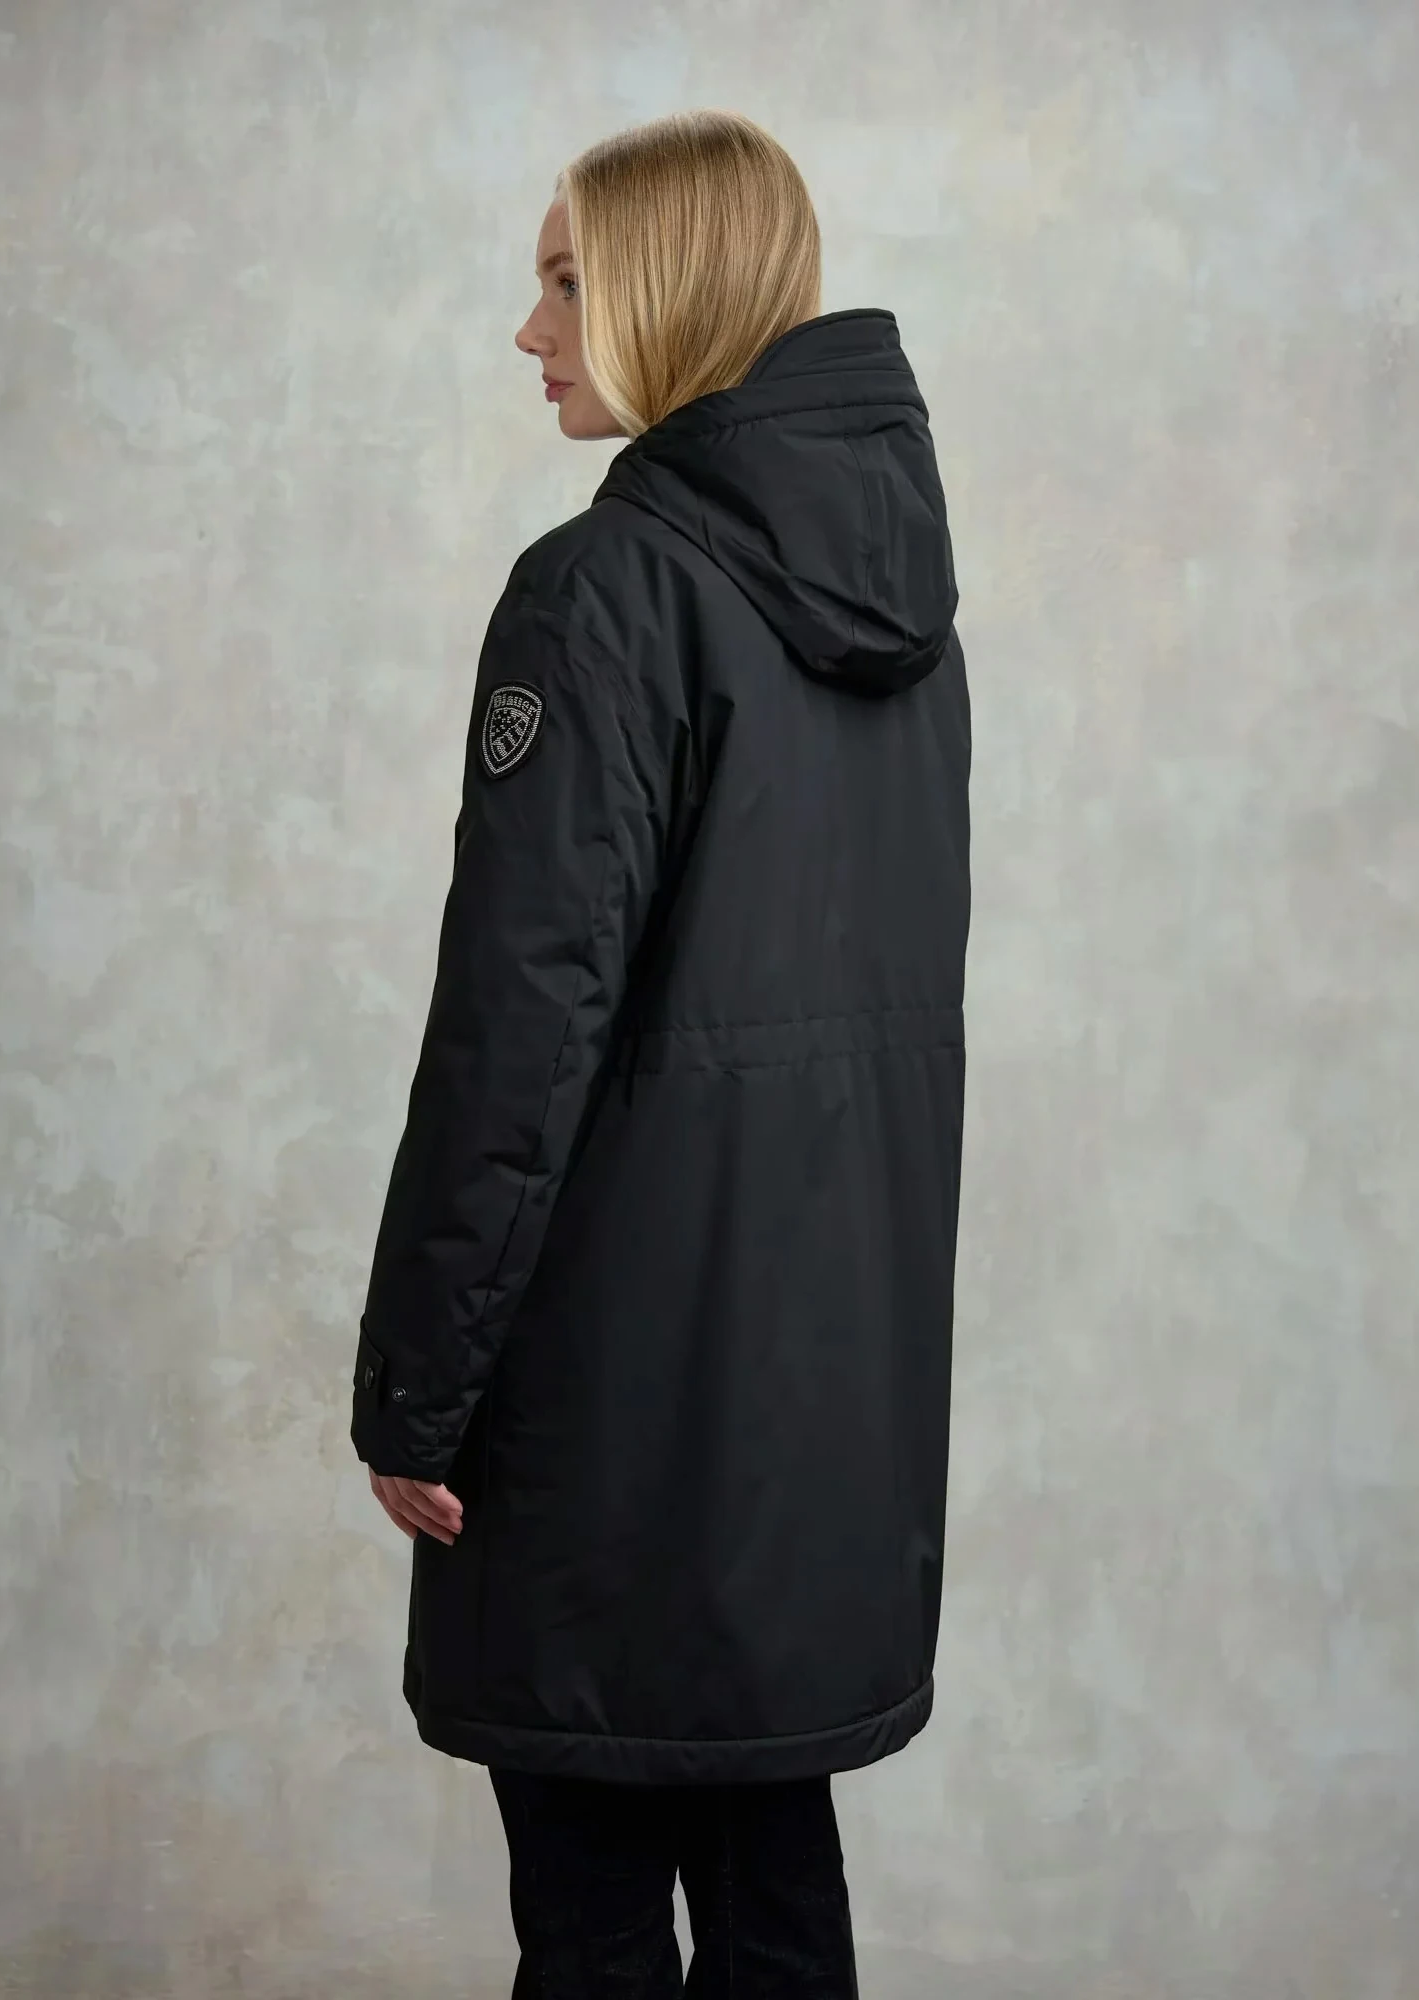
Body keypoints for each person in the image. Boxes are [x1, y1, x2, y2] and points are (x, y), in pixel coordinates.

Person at [350, 107, 970, 1998]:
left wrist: (417, 1393)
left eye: (566, 282)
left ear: (670, 293)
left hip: (609, 1414)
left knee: (598, 1921)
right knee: (779, 1898)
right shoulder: (908, 619)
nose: (528, 331)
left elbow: (515, 1038)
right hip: (821, 1406)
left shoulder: (600, 592)